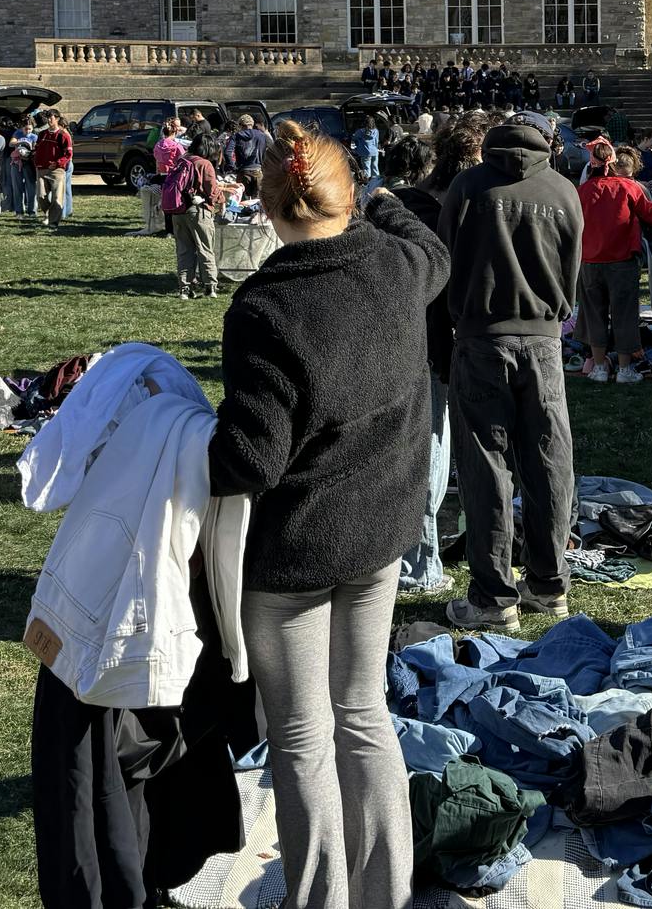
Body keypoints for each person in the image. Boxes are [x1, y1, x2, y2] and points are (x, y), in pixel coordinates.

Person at [209, 120, 449, 909]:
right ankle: (384, 893)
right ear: (349, 197)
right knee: (363, 713)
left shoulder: (268, 307)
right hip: (380, 532)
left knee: (306, 737)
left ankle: (320, 900)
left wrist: (167, 438)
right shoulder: (398, 263)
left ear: (266, 205)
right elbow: (434, 249)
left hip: (298, 552)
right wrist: (384, 201)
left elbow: (251, 461)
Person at [437, 111, 583, 632]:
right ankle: (548, 583)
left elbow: (443, 259)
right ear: (549, 141)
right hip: (541, 341)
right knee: (549, 460)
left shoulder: (469, 185)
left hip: (481, 338)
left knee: (485, 467)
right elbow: (571, 273)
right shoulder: (564, 191)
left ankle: (495, 598)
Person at [386, 130, 465, 594]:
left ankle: (408, 559)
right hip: (426, 350)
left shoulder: (378, 211)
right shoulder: (431, 219)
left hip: (386, 349)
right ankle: (420, 565)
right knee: (429, 453)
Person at [577, 136, 652, 385]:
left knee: (594, 314)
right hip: (622, 260)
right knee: (624, 313)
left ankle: (600, 366)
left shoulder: (583, 190)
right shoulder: (628, 187)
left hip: (590, 260)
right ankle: (625, 369)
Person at [158, 116, 222, 299]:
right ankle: (210, 286)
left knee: (184, 250)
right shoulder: (205, 164)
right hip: (198, 211)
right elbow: (212, 191)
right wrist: (218, 201)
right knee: (205, 248)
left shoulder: (182, 159)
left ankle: (184, 288)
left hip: (178, 211)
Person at [32, 110, 72, 227]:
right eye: (48, 117)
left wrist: (58, 163)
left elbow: (68, 154)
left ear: (57, 119)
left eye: (51, 118)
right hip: (41, 169)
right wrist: (36, 161)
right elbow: (37, 149)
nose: (49, 120)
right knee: (40, 196)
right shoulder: (42, 134)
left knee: (57, 197)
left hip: (57, 170)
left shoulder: (63, 135)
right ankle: (49, 214)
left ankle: (53, 222)